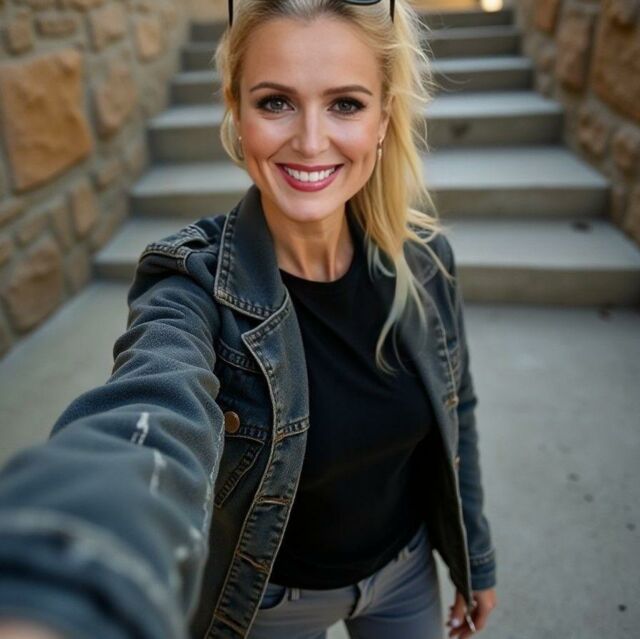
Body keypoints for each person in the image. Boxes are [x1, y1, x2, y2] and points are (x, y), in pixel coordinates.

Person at [0, 1, 497, 638]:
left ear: (383, 118)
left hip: (406, 575)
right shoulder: (192, 282)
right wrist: (65, 581)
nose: (310, 140)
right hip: (269, 604)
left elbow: (459, 411)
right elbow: (150, 415)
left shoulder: (425, 262)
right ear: (236, 111)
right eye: (275, 102)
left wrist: (475, 558)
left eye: (346, 103)